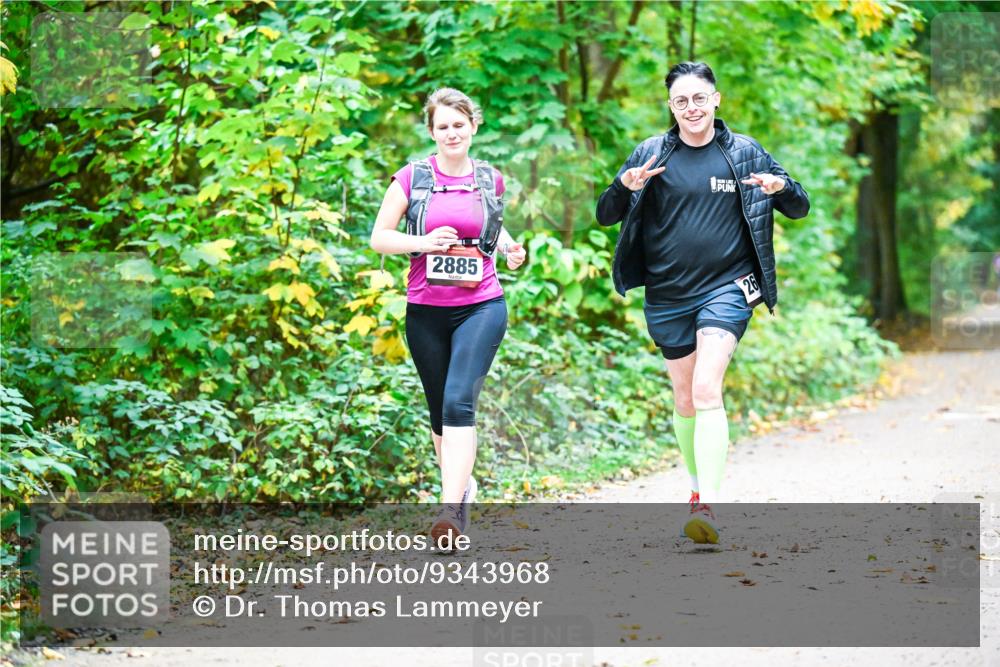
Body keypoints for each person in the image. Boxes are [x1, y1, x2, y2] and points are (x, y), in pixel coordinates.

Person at [595, 62, 810, 543]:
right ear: (671, 107)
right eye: (680, 101)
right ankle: (695, 491)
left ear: (716, 100)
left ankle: (708, 506)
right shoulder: (652, 154)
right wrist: (622, 187)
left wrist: (782, 187)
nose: (691, 108)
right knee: (686, 397)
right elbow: (605, 214)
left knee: (708, 387)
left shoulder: (746, 153)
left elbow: (799, 206)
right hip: (668, 292)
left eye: (699, 98)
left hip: (729, 288)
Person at [370, 88, 526, 547]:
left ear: (473, 126)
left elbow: (491, 232)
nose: (452, 132)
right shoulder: (412, 177)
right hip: (425, 310)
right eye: (443, 126)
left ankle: (450, 513)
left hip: (481, 305)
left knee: (460, 400)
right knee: (440, 413)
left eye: (460, 124)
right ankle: (461, 490)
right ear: (432, 132)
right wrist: (422, 243)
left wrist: (511, 250)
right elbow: (380, 237)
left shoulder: (490, 179)